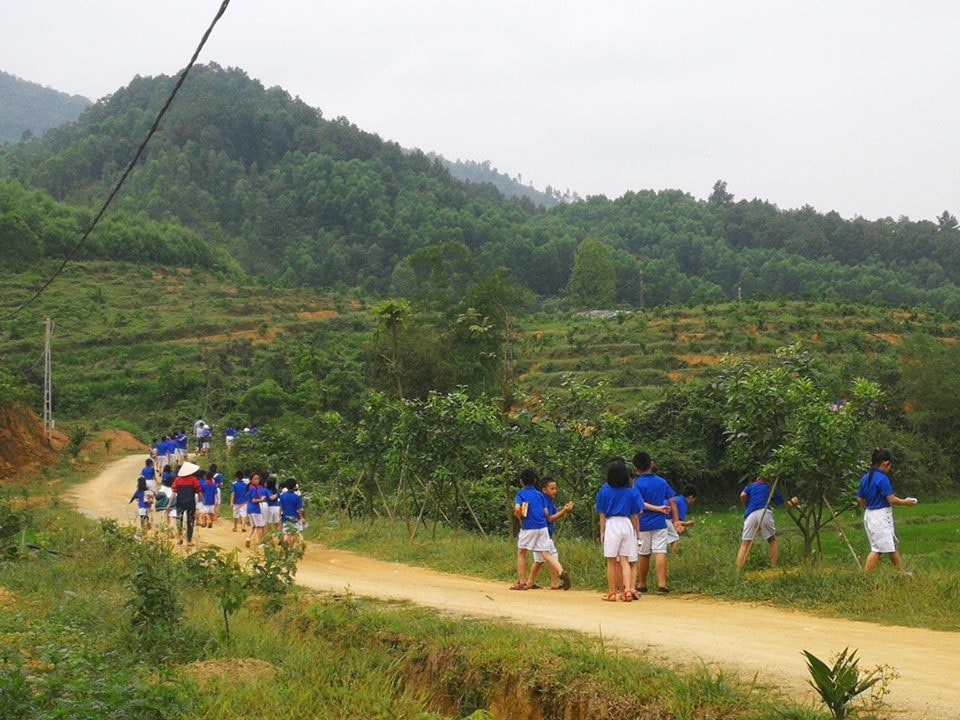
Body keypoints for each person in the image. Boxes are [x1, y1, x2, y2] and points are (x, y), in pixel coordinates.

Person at [857, 448, 918, 574]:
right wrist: (905, 502)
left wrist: (870, 507)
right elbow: (891, 499)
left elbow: (860, 500)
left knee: (891, 547)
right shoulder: (882, 479)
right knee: (877, 549)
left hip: (869, 514)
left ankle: (902, 574)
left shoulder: (865, 478)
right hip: (880, 517)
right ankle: (865, 578)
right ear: (885, 463)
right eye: (889, 465)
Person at [512, 468, 570, 591]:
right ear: (534, 481)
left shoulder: (520, 494)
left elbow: (517, 509)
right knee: (547, 554)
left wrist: (520, 518)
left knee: (521, 552)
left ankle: (522, 582)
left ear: (521, 482)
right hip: (542, 527)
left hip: (528, 527)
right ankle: (561, 571)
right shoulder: (539, 495)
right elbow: (545, 512)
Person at [632, 452, 679, 594]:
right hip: (660, 523)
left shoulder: (637, 484)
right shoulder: (661, 482)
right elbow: (672, 502)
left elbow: (640, 503)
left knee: (643, 554)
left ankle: (642, 583)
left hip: (643, 524)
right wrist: (676, 521)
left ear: (636, 469)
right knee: (660, 552)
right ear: (651, 464)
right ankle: (662, 584)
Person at [596, 458, 641, 602]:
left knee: (611, 561)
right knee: (625, 559)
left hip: (612, 524)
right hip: (626, 524)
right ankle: (627, 590)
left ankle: (612, 592)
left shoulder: (604, 492)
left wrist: (602, 531)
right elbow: (634, 515)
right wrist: (636, 532)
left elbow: (602, 514)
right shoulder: (630, 492)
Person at [736, 477, 799, 570]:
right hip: (764, 512)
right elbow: (785, 505)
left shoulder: (751, 486)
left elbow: (742, 495)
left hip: (750, 515)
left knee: (745, 543)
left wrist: (747, 506)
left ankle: (738, 570)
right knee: (772, 540)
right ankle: (773, 567)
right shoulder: (770, 488)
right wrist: (793, 502)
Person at [525, 477, 574, 590]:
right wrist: (564, 511)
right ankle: (557, 576)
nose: (555, 491)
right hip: (542, 534)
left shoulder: (549, 502)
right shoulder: (544, 501)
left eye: (555, 488)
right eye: (552, 488)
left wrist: (565, 510)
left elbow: (554, 516)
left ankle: (534, 582)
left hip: (544, 534)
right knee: (548, 557)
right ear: (544, 490)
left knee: (540, 560)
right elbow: (549, 519)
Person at [172, 461, 202, 546]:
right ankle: (189, 540)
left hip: (180, 502)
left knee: (179, 520)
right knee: (190, 521)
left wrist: (169, 504)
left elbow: (173, 493)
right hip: (190, 503)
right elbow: (199, 492)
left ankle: (180, 538)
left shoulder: (177, 480)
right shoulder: (193, 480)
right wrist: (202, 501)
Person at [665, 485, 698, 552]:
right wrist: (688, 524)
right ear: (691, 497)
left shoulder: (677, 499)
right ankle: (674, 555)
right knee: (676, 535)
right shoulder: (683, 503)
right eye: (694, 499)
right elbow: (677, 523)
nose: (694, 501)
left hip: (653, 518)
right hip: (663, 520)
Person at [279, 478, 305, 548]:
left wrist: (280, 517)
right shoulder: (297, 497)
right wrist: (301, 517)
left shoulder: (282, 496)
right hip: (294, 517)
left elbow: (281, 508)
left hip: (285, 517)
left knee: (286, 533)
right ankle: (291, 547)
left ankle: (285, 544)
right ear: (295, 487)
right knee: (293, 533)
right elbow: (299, 509)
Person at [245, 473, 267, 548]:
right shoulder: (254, 488)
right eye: (255, 478)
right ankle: (260, 543)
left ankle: (248, 538)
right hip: (255, 509)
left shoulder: (249, 487)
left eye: (258, 478)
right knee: (260, 526)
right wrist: (261, 500)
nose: (257, 480)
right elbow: (254, 500)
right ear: (251, 480)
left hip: (249, 509)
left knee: (253, 526)